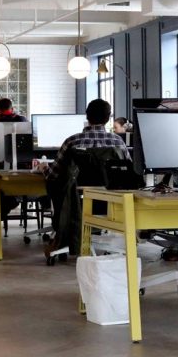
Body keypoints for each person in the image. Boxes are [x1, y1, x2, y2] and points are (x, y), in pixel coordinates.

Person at [39, 99, 130, 252]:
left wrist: (43, 168)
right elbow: (128, 173)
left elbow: (53, 175)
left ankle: (64, 233)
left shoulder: (72, 141)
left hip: (76, 204)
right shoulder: (118, 142)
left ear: (87, 116)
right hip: (109, 203)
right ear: (108, 118)